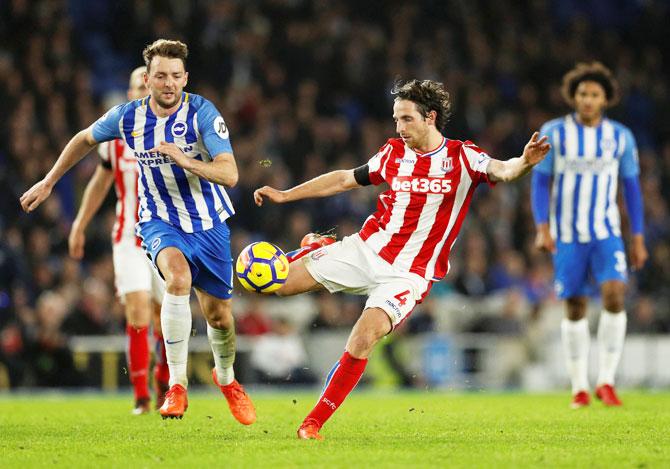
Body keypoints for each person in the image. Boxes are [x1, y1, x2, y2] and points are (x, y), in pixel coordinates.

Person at [254, 79, 550, 440]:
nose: (399, 128)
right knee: (279, 286)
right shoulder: (393, 153)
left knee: (364, 337)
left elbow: (503, 170)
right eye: (396, 120)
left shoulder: (462, 156)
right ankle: (315, 248)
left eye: (407, 119)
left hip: (409, 274)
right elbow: (347, 179)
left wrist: (525, 161)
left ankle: (311, 423)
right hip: (366, 249)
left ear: (430, 117)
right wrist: (287, 195)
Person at [20, 39, 255, 424]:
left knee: (219, 319)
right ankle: (175, 387)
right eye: (161, 76)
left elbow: (230, 174)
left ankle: (226, 378)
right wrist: (48, 181)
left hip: (208, 223)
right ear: (147, 79)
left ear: (185, 78)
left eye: (176, 76)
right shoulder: (127, 117)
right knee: (176, 281)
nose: (169, 84)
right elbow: (83, 139)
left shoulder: (202, 114)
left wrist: (184, 159)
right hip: (158, 221)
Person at [531, 62, 648, 408]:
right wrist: (542, 227)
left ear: (605, 99)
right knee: (575, 305)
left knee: (614, 294)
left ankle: (607, 381)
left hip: (606, 231)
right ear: (573, 96)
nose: (587, 100)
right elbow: (540, 181)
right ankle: (579, 387)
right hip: (567, 233)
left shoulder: (620, 137)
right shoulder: (555, 132)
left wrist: (638, 237)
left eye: (594, 94)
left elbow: (632, 188)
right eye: (582, 93)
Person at [67, 66, 169, 415]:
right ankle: (141, 395)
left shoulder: (176, 134)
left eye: (147, 86)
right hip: (128, 238)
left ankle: (165, 384)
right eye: (135, 87)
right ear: (129, 94)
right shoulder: (116, 140)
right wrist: (80, 223)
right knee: (137, 309)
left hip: (168, 240)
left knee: (164, 317)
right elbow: (101, 181)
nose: (141, 92)